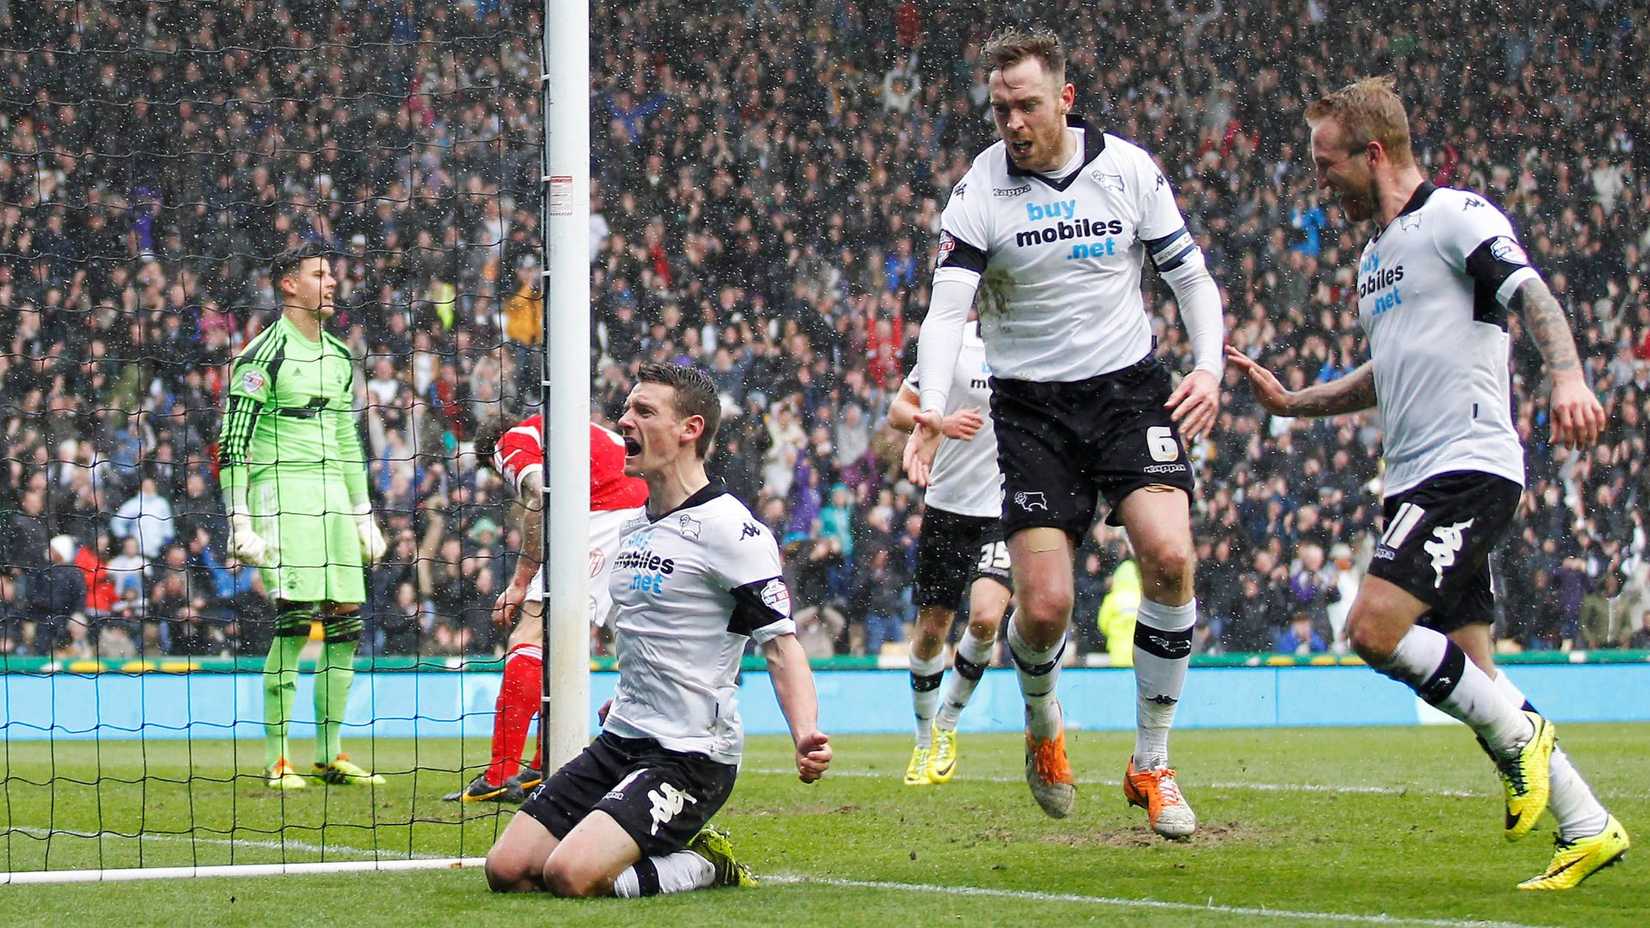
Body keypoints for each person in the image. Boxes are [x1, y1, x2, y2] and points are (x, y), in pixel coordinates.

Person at [1225, 76, 1626, 891]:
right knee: (1478, 673)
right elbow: (1388, 369)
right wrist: (1296, 403)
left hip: (1467, 466)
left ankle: (1525, 744)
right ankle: (1589, 826)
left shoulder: (1457, 216)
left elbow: (1533, 294)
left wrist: (1570, 377)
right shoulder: (1376, 257)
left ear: (1373, 153)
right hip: (1411, 481)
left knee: (1372, 629)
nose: (1319, 179)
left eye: (1326, 162)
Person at [904, 27, 1224, 837]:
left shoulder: (1126, 169)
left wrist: (1210, 368)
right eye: (1000, 107)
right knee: (1043, 610)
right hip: (1033, 411)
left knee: (1172, 555)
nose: (1012, 122)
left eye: (1027, 105)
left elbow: (1189, 275)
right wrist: (935, 403)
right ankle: (1043, 723)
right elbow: (948, 309)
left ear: (1065, 99)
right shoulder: (981, 188)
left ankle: (1152, 762)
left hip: (1127, 393)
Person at [483, 362, 830, 898]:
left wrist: (805, 732)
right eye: (626, 409)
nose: (624, 421)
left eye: (644, 412)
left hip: (690, 756)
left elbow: (781, 647)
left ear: (690, 429)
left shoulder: (733, 532)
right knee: (506, 869)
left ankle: (706, 863)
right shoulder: (632, 526)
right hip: (621, 738)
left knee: (568, 875)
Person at [218, 242, 389, 790]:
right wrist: (238, 518)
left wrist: (364, 513)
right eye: (319, 274)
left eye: (332, 273)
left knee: (345, 621)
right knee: (295, 621)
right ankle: (278, 759)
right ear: (288, 284)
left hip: (333, 496)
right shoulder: (261, 355)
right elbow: (233, 442)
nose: (332, 282)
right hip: (281, 491)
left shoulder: (339, 356)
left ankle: (330, 754)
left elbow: (346, 439)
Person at [445, 415, 649, 803]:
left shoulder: (514, 441)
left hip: (603, 520)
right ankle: (542, 765)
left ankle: (499, 773)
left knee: (530, 633)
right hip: (644, 519)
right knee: (562, 646)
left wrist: (521, 581)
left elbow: (539, 498)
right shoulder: (575, 428)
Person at [889, 317, 1012, 786]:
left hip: (1003, 507)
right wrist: (932, 422)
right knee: (930, 632)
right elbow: (898, 410)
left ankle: (945, 727)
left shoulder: (1031, 335)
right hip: (947, 506)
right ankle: (923, 741)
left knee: (984, 619)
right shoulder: (949, 341)